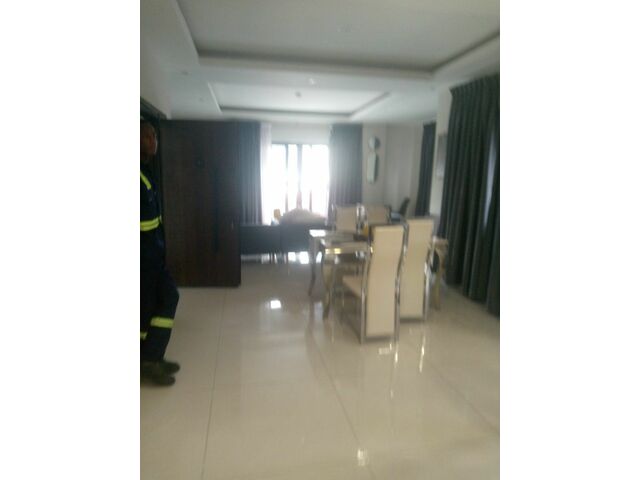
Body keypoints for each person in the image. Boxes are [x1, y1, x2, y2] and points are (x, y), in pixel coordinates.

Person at [140, 120, 180, 386]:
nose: (154, 141)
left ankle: (152, 356)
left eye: (154, 136)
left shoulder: (146, 173)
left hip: (153, 255)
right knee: (148, 307)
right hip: (142, 258)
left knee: (166, 298)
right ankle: (148, 361)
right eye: (147, 136)